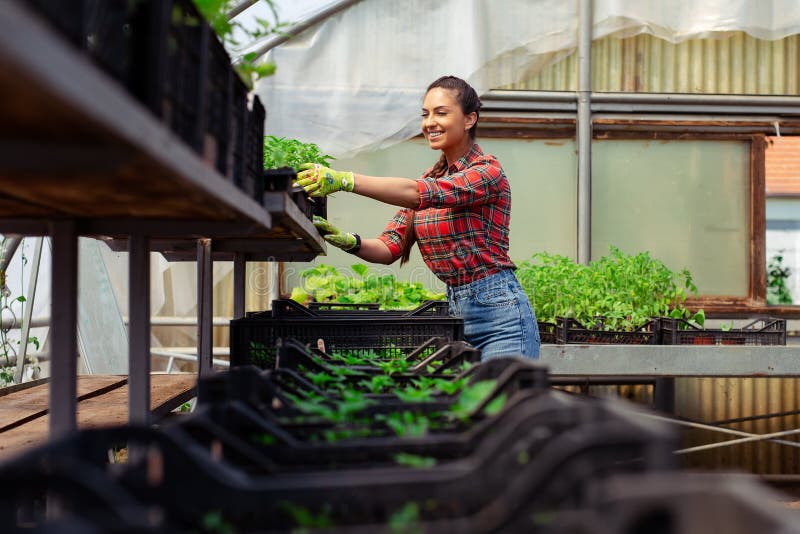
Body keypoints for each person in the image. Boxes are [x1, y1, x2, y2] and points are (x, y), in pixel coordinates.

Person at [296, 75, 540, 360]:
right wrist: (348, 240)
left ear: (470, 119)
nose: (429, 123)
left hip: (502, 318)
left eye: (441, 113)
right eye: (425, 114)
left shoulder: (486, 172)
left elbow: (420, 194)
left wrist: (347, 180)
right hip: (456, 318)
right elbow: (391, 247)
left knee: (501, 403)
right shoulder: (430, 178)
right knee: (467, 404)